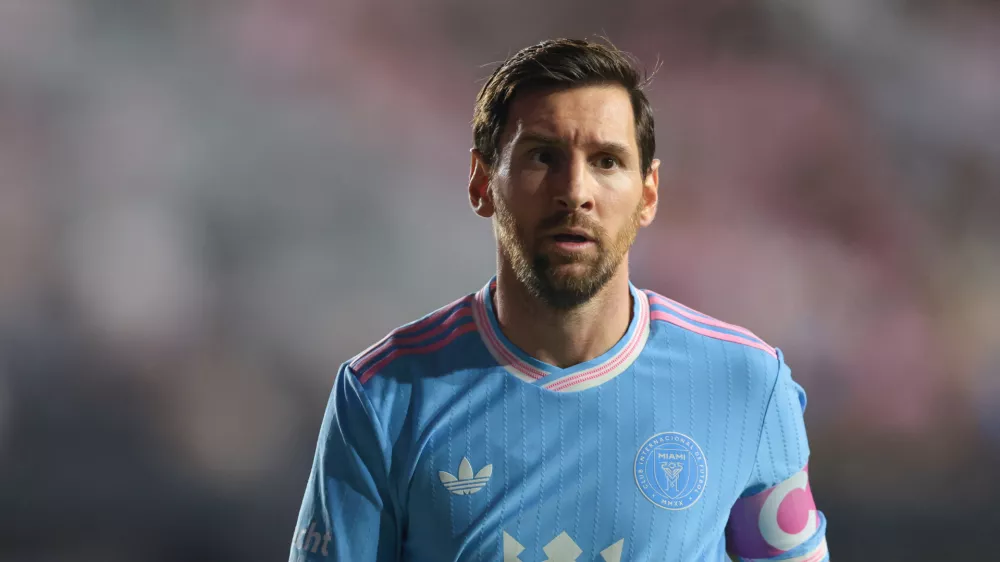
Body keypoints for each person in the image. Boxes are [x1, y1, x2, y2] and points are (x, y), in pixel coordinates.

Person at [289, 38, 828, 562]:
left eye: (607, 161)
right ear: (481, 183)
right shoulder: (383, 396)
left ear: (649, 193)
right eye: (543, 156)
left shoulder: (747, 385)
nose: (575, 190)